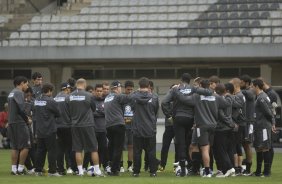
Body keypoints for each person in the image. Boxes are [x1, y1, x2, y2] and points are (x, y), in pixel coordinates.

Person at [173, 79, 230, 177]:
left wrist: (176, 91)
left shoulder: (197, 96)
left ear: (200, 85)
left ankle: (206, 171)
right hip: (213, 125)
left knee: (202, 148)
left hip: (201, 126)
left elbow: (183, 99)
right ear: (209, 86)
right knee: (208, 149)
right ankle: (205, 169)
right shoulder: (215, 96)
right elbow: (226, 104)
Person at [66, 78, 103, 176]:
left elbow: (68, 110)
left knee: (78, 149)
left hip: (75, 125)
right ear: (84, 84)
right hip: (87, 124)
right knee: (94, 148)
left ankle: (80, 171)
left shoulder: (69, 96)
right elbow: (94, 108)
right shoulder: (89, 95)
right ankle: (97, 170)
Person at [131, 77, 159, 177]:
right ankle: (153, 172)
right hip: (150, 128)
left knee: (137, 152)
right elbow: (155, 111)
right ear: (148, 86)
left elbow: (132, 108)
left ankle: (136, 172)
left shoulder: (133, 97)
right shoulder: (154, 97)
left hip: (137, 128)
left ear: (139, 86)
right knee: (151, 151)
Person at [34, 83, 61, 176]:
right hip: (50, 129)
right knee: (52, 150)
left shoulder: (37, 100)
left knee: (40, 150)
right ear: (49, 90)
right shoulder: (51, 101)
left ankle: (38, 170)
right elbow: (58, 113)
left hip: (39, 130)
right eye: (51, 91)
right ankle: (52, 171)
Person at [104, 80, 130, 176]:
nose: (121, 89)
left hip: (108, 126)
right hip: (118, 124)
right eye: (120, 87)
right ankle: (115, 169)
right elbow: (129, 98)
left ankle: (111, 166)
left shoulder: (107, 97)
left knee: (111, 147)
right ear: (116, 88)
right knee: (118, 148)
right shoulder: (118, 96)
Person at [251, 79, 276, 177]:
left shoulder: (262, 98)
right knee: (259, 147)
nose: (252, 88)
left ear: (256, 86)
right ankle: (258, 171)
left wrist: (272, 123)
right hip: (258, 126)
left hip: (264, 127)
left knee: (265, 147)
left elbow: (269, 112)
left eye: (253, 86)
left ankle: (266, 172)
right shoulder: (259, 97)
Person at [7, 76, 31, 175]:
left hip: (11, 122)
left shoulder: (11, 93)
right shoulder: (19, 92)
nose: (27, 86)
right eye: (26, 84)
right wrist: (27, 119)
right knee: (26, 146)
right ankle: (20, 169)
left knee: (15, 147)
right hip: (19, 122)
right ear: (22, 83)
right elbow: (21, 109)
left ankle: (14, 169)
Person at [213, 83, 237, 177]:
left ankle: (229, 168)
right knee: (229, 150)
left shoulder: (219, 100)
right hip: (229, 128)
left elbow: (221, 115)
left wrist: (229, 123)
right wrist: (231, 123)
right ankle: (227, 170)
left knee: (222, 150)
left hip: (221, 128)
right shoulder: (229, 98)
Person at [54, 82, 73, 175]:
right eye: (69, 89)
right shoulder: (68, 98)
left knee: (60, 148)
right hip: (67, 126)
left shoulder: (54, 98)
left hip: (57, 127)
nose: (70, 90)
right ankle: (69, 167)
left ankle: (60, 168)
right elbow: (71, 112)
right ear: (67, 89)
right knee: (69, 148)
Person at [159, 85, 178, 172]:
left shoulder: (179, 99)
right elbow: (163, 105)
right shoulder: (167, 100)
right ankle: (162, 165)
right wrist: (170, 116)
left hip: (178, 126)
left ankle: (176, 166)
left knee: (178, 147)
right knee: (165, 147)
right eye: (173, 88)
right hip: (169, 126)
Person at [261, 78, 278, 174]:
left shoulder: (271, 94)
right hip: (268, 122)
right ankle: (267, 169)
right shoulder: (269, 93)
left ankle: (268, 169)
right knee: (268, 145)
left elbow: (272, 110)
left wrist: (273, 123)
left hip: (269, 123)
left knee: (269, 145)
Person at [240, 74, 256, 175]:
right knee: (243, 144)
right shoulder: (245, 92)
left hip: (249, 122)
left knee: (247, 144)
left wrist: (236, 88)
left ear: (246, 83)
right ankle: (243, 165)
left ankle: (248, 168)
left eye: (241, 82)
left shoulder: (249, 92)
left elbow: (248, 94)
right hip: (243, 122)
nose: (240, 84)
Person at [121, 80, 135, 172]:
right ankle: (121, 166)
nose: (129, 91)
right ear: (124, 89)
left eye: (131, 89)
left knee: (131, 146)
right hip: (122, 126)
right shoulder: (121, 98)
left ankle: (130, 166)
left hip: (132, 126)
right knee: (120, 147)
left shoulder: (134, 99)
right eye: (128, 89)